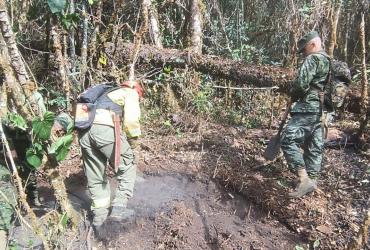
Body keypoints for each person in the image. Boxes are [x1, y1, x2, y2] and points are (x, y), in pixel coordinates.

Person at [78, 80, 142, 235]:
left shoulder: (103, 93)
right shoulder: (130, 92)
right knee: (127, 166)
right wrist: (133, 143)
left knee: (95, 175)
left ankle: (99, 220)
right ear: (137, 90)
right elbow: (132, 120)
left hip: (84, 132)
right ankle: (118, 211)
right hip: (105, 129)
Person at [281, 31, 330, 198]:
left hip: (308, 108)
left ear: (313, 44)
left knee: (287, 139)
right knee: (314, 147)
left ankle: (303, 179)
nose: (304, 54)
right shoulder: (330, 62)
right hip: (322, 112)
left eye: (304, 50)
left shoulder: (313, 59)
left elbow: (301, 84)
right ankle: (312, 183)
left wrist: (292, 95)